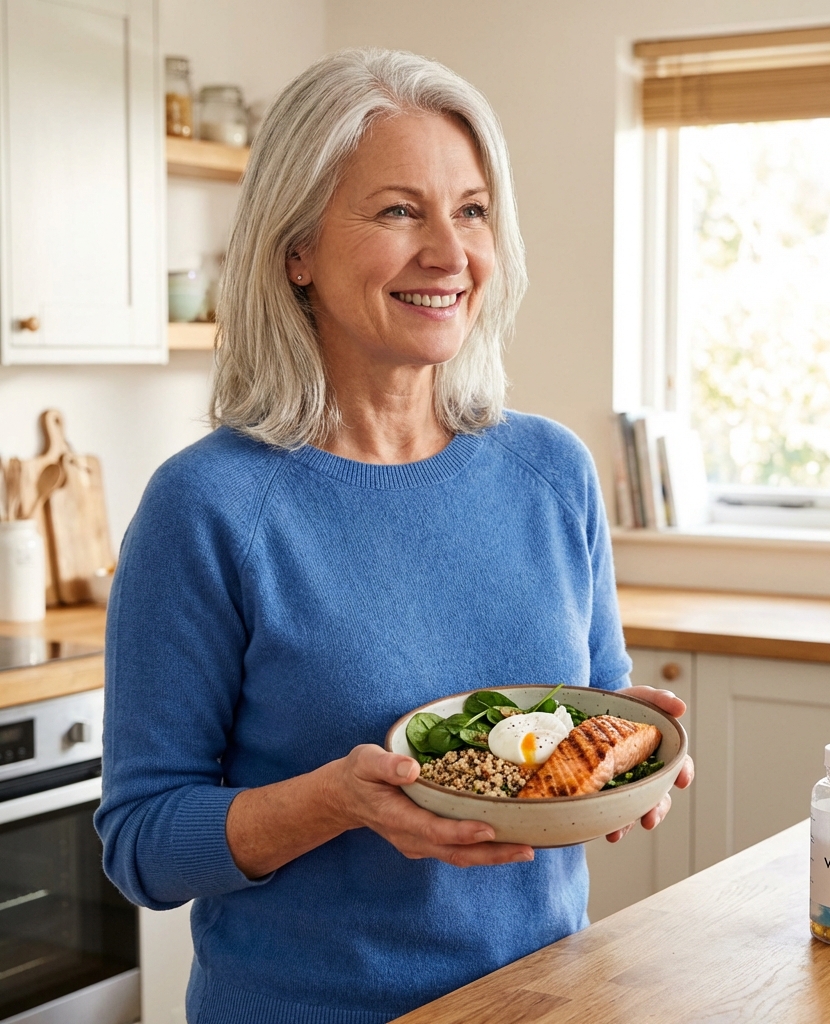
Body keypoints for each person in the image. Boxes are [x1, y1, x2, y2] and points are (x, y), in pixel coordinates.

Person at [96, 48, 694, 1024]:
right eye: (397, 211)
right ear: (296, 251)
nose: (450, 254)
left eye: (470, 210)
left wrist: (626, 750)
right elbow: (143, 843)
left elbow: (588, 702)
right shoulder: (206, 506)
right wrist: (341, 799)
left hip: (538, 998)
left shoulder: (551, 471)